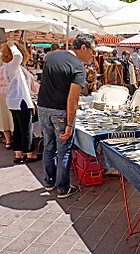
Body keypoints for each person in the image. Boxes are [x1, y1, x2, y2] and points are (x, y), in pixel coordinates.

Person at [38, 33, 96, 199]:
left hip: (43, 107)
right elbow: (73, 99)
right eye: (92, 51)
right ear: (83, 48)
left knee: (49, 146)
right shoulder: (78, 67)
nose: (93, 55)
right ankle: (62, 187)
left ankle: (49, 181)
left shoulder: (52, 56)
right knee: (63, 150)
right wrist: (70, 124)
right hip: (60, 111)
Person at [1, 42, 39, 163]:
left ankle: (18, 154)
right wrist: (12, 46)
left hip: (15, 100)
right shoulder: (13, 65)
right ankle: (29, 153)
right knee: (26, 127)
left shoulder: (10, 67)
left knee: (18, 127)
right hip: (20, 100)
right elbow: (18, 57)